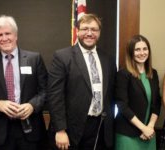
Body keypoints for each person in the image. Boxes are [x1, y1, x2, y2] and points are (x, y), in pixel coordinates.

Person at [47, 13, 116, 150]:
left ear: (99, 33)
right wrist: (60, 130)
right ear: (77, 31)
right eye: (85, 29)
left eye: (94, 29)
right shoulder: (62, 57)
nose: (89, 33)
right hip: (72, 130)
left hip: (101, 127)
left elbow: (111, 94)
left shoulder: (107, 59)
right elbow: (55, 96)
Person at [0, 15, 47, 150]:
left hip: (30, 130)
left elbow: (45, 90)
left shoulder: (34, 59)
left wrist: (32, 105)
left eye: (8, 33)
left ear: (16, 35)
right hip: (1, 133)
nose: (4, 38)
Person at [114, 35, 161, 150]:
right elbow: (122, 106)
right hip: (128, 134)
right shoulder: (123, 74)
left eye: (145, 49)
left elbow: (157, 103)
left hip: (149, 133)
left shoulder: (153, 73)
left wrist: (149, 127)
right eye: (137, 49)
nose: (142, 53)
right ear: (131, 52)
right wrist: (143, 128)